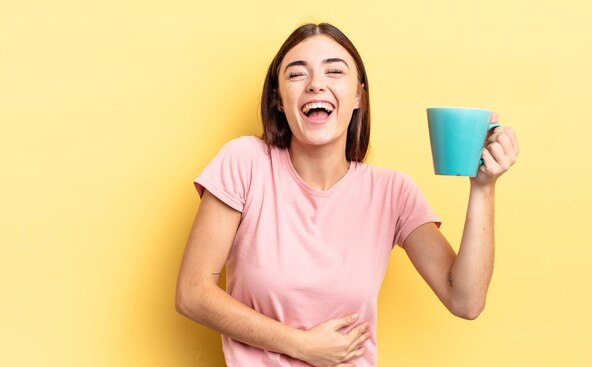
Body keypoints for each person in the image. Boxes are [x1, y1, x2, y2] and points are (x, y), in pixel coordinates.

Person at [175, 23, 519, 367]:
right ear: (279, 100)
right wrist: (300, 345)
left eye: (334, 71)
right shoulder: (245, 162)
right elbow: (192, 293)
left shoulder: (392, 192)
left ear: (358, 96)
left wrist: (483, 187)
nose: (316, 83)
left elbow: (466, 301)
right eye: (297, 73)